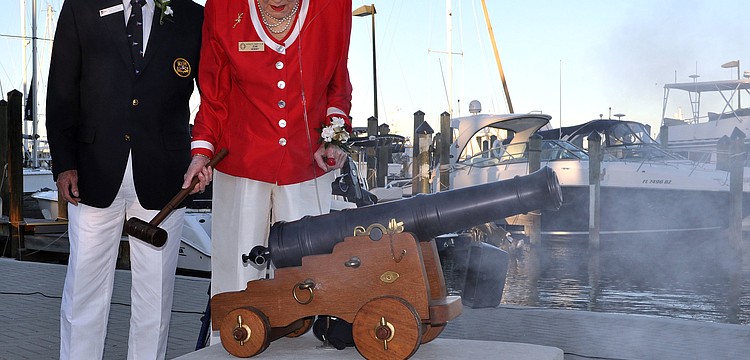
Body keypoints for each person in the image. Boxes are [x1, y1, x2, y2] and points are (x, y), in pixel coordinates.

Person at [183, 0, 353, 343]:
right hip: (242, 161)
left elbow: (338, 82)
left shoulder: (335, 6)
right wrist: (202, 152)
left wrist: (334, 136)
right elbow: (213, 95)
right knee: (237, 271)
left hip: (307, 163)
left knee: (310, 271)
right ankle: (232, 343)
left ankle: (307, 346)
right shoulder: (221, 8)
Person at [46, 1, 207, 358]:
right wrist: (64, 163)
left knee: (156, 299)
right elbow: (60, 91)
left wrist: (204, 152)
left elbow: (212, 95)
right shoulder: (80, 9)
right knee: (84, 292)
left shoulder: (193, 15)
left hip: (167, 178)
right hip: (91, 174)